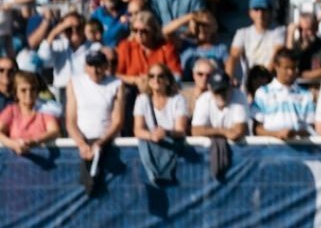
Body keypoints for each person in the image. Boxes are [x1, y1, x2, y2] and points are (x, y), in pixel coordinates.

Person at [66, 50, 127, 194]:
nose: (95, 70)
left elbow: (117, 120)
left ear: (106, 66)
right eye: (91, 65)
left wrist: (99, 143)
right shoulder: (75, 82)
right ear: (85, 67)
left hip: (108, 143)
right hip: (82, 143)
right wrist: (82, 144)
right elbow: (70, 120)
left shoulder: (116, 84)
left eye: (99, 65)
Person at [133, 65, 190, 186]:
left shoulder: (178, 100)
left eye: (160, 76)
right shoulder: (142, 100)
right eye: (151, 76)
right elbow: (137, 129)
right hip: (149, 150)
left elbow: (180, 130)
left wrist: (166, 133)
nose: (156, 79)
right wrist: (151, 135)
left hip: (173, 151)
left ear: (168, 80)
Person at [251, 49, 315, 139]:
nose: (290, 72)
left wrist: (294, 134)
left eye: (293, 68)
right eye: (286, 68)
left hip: (300, 150)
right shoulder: (262, 93)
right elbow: (257, 129)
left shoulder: (306, 95)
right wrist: (276, 134)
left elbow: (311, 128)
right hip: (269, 150)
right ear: (276, 66)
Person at [116, 10, 182, 90]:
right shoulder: (126, 47)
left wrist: (154, 80)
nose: (139, 34)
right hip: (132, 90)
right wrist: (135, 80)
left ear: (154, 31)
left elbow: (177, 75)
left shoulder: (166, 48)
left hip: (160, 90)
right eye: (135, 30)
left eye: (144, 31)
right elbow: (116, 75)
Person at [227, 0, 286, 83]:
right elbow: (233, 57)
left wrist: (263, 79)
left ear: (270, 11)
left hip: (271, 81)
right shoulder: (242, 33)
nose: (260, 14)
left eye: (263, 10)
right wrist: (229, 80)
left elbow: (277, 54)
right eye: (256, 9)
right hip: (248, 82)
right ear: (250, 13)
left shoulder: (279, 31)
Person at [0, 72, 60, 155]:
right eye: (23, 90)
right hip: (14, 161)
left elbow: (54, 131)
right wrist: (13, 144)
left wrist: (34, 142)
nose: (29, 94)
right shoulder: (11, 110)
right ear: (16, 92)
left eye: (32, 89)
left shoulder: (45, 109)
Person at [192, 70, 248, 142]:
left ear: (230, 87)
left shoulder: (239, 96)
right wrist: (223, 131)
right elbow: (196, 130)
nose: (221, 94)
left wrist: (208, 130)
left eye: (224, 90)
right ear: (210, 89)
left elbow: (237, 132)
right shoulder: (203, 99)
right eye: (217, 91)